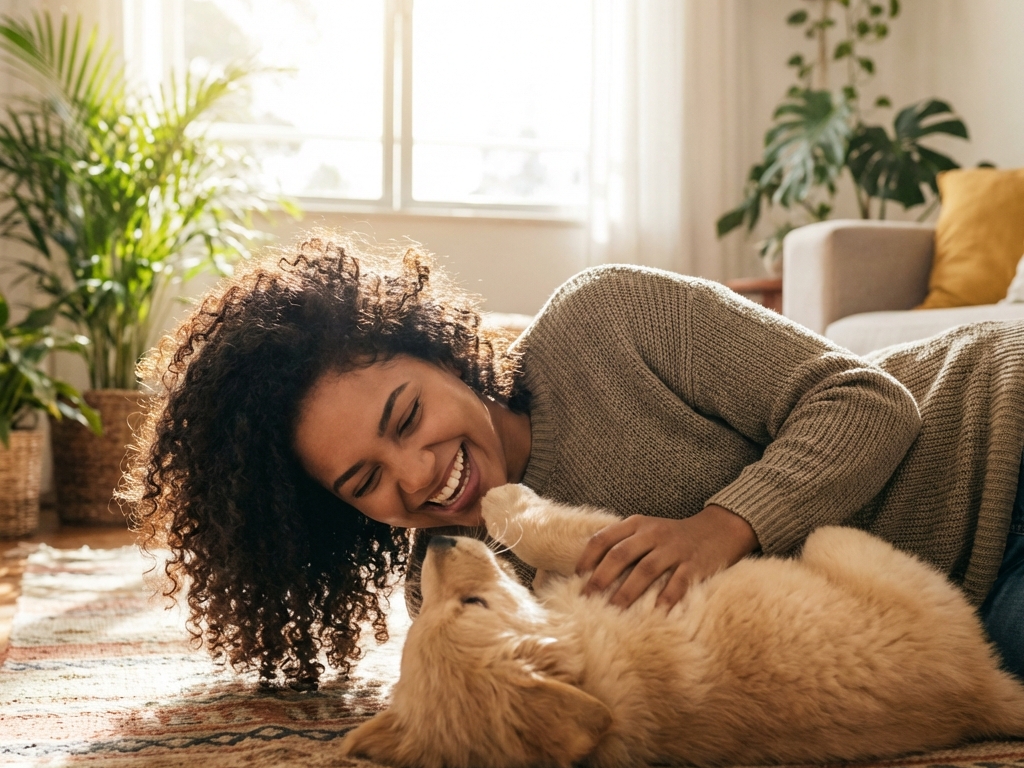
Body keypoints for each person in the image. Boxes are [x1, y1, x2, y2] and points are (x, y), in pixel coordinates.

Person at [127, 235, 1024, 690]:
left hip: (995, 432)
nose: (412, 476)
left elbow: (867, 402)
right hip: (963, 619)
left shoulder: (606, 321)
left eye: (406, 416)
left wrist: (722, 528)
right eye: (363, 482)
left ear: (442, 350)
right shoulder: (455, 585)